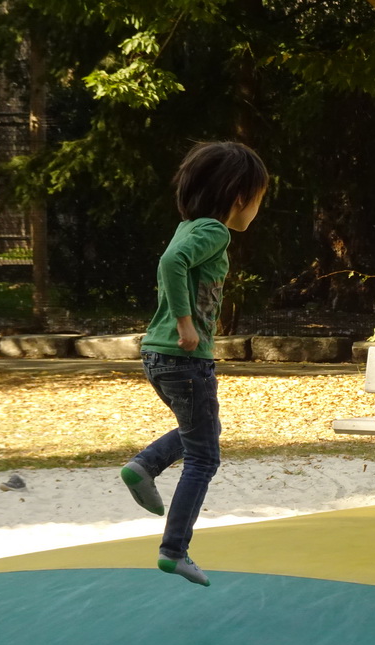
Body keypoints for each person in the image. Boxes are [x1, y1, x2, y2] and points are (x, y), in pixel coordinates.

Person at [119, 140, 268, 586]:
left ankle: (143, 466)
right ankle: (174, 550)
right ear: (240, 198)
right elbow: (171, 264)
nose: (257, 210)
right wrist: (186, 324)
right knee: (205, 457)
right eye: (259, 200)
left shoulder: (188, 226)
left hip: (158, 356)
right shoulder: (214, 231)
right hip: (185, 357)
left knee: (201, 432)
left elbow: (173, 262)